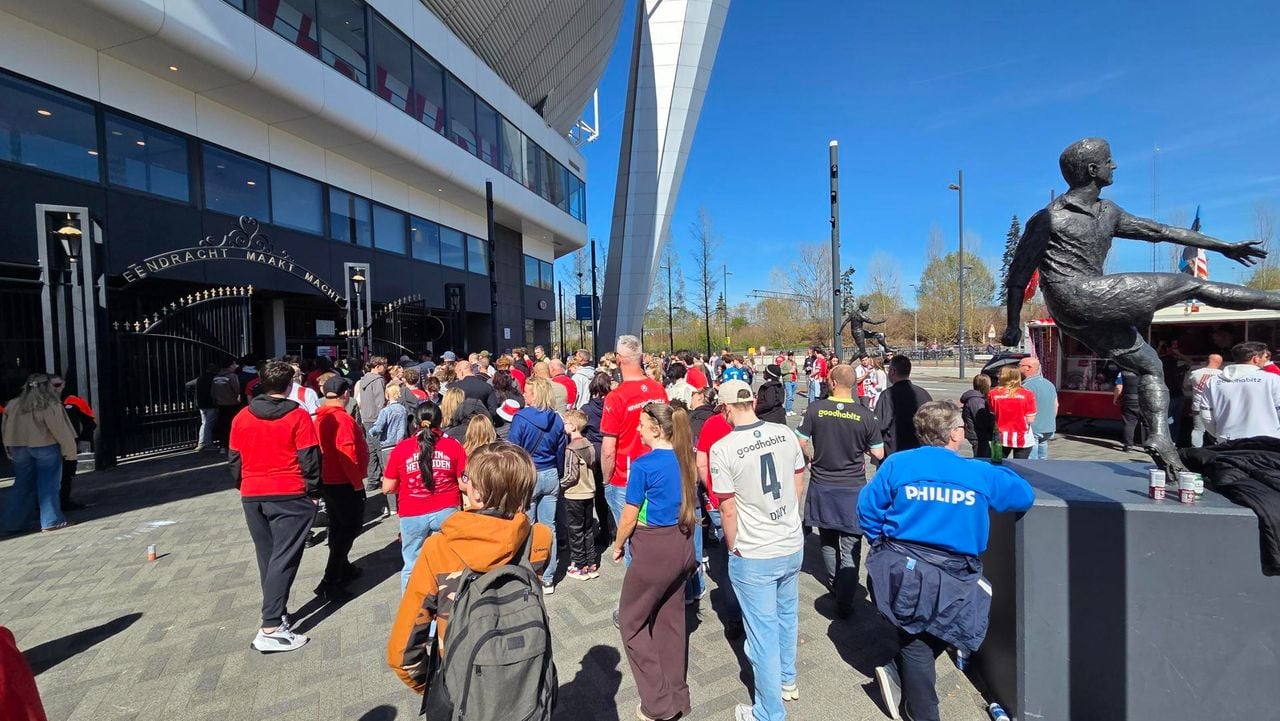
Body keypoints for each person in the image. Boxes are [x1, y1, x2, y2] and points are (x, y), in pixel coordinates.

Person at [1002, 137, 1278, 473]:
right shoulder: (1049, 218)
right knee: (1192, 284)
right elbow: (1017, 275)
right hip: (1077, 294)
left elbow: (1159, 231)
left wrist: (1222, 246)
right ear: (1093, 170)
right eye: (1108, 161)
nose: (1113, 166)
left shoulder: (1109, 212)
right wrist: (1012, 323)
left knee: (1150, 366)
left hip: (1079, 313)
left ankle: (1160, 437)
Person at [860, 401, 1035, 721]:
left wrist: (882, 547)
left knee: (919, 639)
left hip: (902, 569)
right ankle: (923, 712)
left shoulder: (898, 464)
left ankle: (898, 676)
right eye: (961, 428)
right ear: (955, 434)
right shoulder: (977, 472)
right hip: (950, 573)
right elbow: (1024, 495)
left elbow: (868, 511)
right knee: (920, 645)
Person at [387, 442, 551, 693]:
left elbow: (402, 654)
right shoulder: (539, 538)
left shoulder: (439, 547)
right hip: (524, 679)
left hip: (460, 683)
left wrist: (431, 689)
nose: (462, 483)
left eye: (467, 478)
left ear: (476, 493)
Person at [709, 379, 808, 721]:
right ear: (751, 401)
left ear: (724, 409)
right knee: (786, 614)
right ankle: (787, 679)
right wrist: (790, 517)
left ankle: (769, 710)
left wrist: (734, 545)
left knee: (762, 633)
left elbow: (727, 507)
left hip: (755, 551)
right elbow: (798, 477)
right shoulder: (784, 433)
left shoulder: (723, 448)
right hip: (789, 541)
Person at [612, 402, 698, 721]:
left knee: (631, 622)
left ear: (656, 429)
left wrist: (618, 545)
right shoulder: (686, 456)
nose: (637, 428)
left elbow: (629, 516)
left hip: (654, 547)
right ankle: (677, 695)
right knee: (670, 621)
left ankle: (657, 702)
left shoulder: (645, 465)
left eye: (642, 424)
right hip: (682, 544)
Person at [229, 360, 321, 653]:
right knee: (284, 557)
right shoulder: (298, 416)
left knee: (268, 556)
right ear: (291, 385)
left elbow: (234, 458)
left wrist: (242, 484)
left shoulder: (242, 416)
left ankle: (276, 611)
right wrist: (314, 489)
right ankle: (270, 625)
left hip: (253, 492)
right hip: (289, 491)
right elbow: (309, 456)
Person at [796, 364, 883, 619]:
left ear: (832, 383)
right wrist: (864, 449)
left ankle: (836, 585)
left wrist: (810, 457)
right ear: (854, 384)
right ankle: (845, 595)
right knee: (851, 542)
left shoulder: (815, 409)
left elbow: (800, 439)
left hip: (823, 485)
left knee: (827, 538)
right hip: (852, 487)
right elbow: (878, 452)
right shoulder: (866, 415)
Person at [383, 402, 466, 592]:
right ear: (441, 421)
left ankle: (412, 613)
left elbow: (387, 488)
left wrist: (407, 486)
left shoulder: (402, 448)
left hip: (412, 511)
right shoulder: (453, 445)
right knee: (448, 564)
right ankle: (448, 609)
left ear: (416, 423)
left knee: (412, 566)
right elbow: (463, 483)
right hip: (447, 510)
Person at [600, 336, 669, 537]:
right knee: (655, 535)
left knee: (632, 541)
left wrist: (606, 481)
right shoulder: (659, 390)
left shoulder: (616, 397)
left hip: (626, 478)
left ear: (618, 359)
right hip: (658, 472)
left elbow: (608, 449)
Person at [508, 378, 568, 593]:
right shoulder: (557, 419)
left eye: (527, 391)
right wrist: (558, 472)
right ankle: (549, 575)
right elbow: (561, 449)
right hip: (551, 473)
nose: (524, 394)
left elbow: (514, 451)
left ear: (536, 395)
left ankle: (529, 573)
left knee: (527, 526)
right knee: (548, 526)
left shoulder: (521, 418)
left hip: (529, 475)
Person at [313, 376, 369, 601]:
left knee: (337, 526)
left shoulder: (319, 418)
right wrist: (357, 484)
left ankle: (343, 567)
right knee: (350, 528)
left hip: (328, 480)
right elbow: (347, 455)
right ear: (346, 394)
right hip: (343, 481)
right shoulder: (342, 420)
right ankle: (330, 579)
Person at [2, 374, 77, 534]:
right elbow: (60, 430)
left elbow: (5, 429)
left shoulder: (13, 404)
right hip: (45, 446)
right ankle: (51, 520)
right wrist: (70, 451)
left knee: (22, 485)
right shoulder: (49, 404)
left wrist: (8, 447)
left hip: (18, 447)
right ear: (47, 386)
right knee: (48, 484)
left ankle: (10, 524)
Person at [1200, 341, 1280, 442]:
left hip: (1227, 440)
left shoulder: (1213, 381)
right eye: (1265, 357)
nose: (1267, 361)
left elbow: (1206, 414)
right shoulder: (1272, 379)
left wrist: (1219, 434)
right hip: (1267, 441)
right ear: (1255, 359)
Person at [561, 409, 599, 581]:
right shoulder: (589, 444)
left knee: (575, 530)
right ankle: (591, 563)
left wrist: (559, 485)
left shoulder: (571, 449)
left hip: (574, 493)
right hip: (588, 491)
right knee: (588, 529)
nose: (564, 426)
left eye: (566, 423)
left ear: (573, 426)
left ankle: (579, 564)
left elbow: (571, 475)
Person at [50, 375, 94, 510]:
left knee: (67, 473)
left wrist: (84, 439)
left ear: (63, 385)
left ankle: (64, 501)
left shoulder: (74, 400)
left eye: (58, 385)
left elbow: (89, 420)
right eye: (51, 385)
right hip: (49, 443)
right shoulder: (44, 402)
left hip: (69, 442)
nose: (54, 388)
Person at [877, 355, 933, 456]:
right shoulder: (923, 393)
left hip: (894, 451)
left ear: (893, 371)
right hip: (920, 449)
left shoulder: (888, 395)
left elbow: (880, 424)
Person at [988, 367, 1038, 459]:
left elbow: (993, 414)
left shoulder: (993, 393)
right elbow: (1030, 419)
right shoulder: (1027, 394)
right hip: (1022, 436)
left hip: (1001, 435)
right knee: (1020, 467)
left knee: (999, 464)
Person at [355, 357, 389, 488]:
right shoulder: (379, 380)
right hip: (377, 418)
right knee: (381, 449)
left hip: (366, 417)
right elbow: (380, 402)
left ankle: (372, 480)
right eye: (384, 365)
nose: (386, 367)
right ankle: (385, 477)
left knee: (371, 449)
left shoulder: (363, 380)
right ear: (377, 366)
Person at [1018, 358, 1058, 459]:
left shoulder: (1026, 386)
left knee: (1032, 460)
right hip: (1048, 427)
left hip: (1033, 428)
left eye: (1019, 365)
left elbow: (1021, 408)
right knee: (1042, 458)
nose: (1017, 368)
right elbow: (1056, 405)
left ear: (1028, 368)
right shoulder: (1049, 384)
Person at [1185, 353, 1224, 448]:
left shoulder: (1194, 373)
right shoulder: (1222, 375)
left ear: (1207, 361)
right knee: (1219, 430)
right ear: (1220, 363)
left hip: (1198, 405)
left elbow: (1186, 387)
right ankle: (1219, 448)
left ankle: (1196, 450)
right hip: (1217, 407)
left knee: (1198, 430)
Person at [960, 375, 995, 459]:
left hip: (978, 434)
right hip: (978, 435)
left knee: (985, 456)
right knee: (983, 458)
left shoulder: (977, 399)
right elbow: (981, 421)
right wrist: (993, 420)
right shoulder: (976, 401)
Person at [211, 359, 241, 453]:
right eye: (234, 364)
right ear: (230, 366)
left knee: (222, 425)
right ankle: (232, 445)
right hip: (231, 404)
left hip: (220, 404)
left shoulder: (216, 377)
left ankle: (223, 445)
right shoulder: (232, 376)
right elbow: (237, 389)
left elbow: (212, 392)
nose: (235, 366)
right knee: (231, 425)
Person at [189, 363, 219, 451]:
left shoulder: (200, 378)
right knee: (208, 424)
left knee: (204, 423)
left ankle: (201, 442)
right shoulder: (213, 379)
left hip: (201, 404)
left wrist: (194, 395)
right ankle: (207, 443)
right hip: (211, 404)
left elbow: (188, 385)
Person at [1113, 370, 1144, 451]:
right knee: (1147, 423)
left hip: (1129, 400)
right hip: (1144, 400)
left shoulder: (1123, 373)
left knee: (1129, 422)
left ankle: (1128, 446)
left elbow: (1118, 387)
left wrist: (1115, 399)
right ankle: (1149, 446)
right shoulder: (1144, 371)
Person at [780, 352, 798, 416]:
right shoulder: (784, 362)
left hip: (794, 381)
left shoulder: (794, 362)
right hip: (787, 380)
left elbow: (796, 371)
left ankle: (790, 409)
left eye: (792, 355)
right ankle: (787, 410)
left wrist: (797, 377)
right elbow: (780, 371)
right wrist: (788, 371)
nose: (791, 356)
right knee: (789, 395)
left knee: (792, 396)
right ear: (788, 356)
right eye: (790, 355)